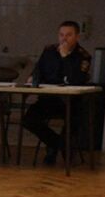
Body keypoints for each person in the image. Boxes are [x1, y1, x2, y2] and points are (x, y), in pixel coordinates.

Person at [22, 20, 92, 164]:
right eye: (61, 35)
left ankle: (58, 149)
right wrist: (32, 78)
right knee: (29, 119)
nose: (64, 38)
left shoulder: (83, 56)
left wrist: (66, 57)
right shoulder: (49, 51)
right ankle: (58, 144)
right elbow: (38, 70)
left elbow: (76, 80)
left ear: (77, 37)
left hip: (71, 102)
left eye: (68, 35)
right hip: (49, 99)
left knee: (74, 120)